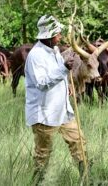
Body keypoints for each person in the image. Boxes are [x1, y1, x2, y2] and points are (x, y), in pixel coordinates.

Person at [24, 15, 87, 184]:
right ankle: (38, 182)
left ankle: (87, 178)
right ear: (49, 35)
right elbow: (42, 83)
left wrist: (67, 85)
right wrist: (63, 68)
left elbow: (60, 74)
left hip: (63, 109)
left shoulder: (55, 51)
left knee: (78, 141)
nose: (60, 37)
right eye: (57, 33)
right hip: (44, 113)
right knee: (43, 152)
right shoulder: (36, 55)